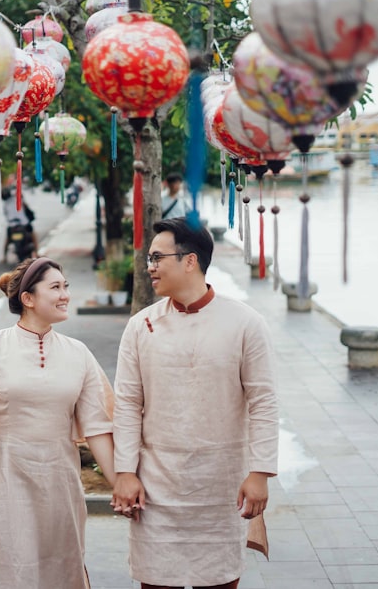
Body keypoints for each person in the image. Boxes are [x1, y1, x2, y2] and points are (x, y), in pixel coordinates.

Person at [0, 257, 117, 588]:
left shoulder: (78, 353)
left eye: (66, 286)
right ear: (28, 299)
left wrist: (121, 484)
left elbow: (98, 429)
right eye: (55, 287)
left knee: (63, 569)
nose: (65, 295)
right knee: (9, 573)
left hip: (60, 482)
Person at [111, 219, 278, 589]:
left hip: (220, 486)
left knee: (219, 580)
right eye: (148, 258)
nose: (149, 266)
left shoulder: (245, 323)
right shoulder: (141, 326)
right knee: (155, 581)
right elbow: (126, 404)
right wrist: (124, 472)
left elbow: (264, 403)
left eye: (157, 257)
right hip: (156, 485)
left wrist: (260, 472)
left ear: (190, 261)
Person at [1, 185, 40, 261]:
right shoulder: (19, 199)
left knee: (7, 240)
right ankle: (36, 252)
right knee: (33, 235)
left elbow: (6, 214)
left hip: (12, 225)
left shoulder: (6, 204)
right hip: (24, 223)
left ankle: (4, 257)